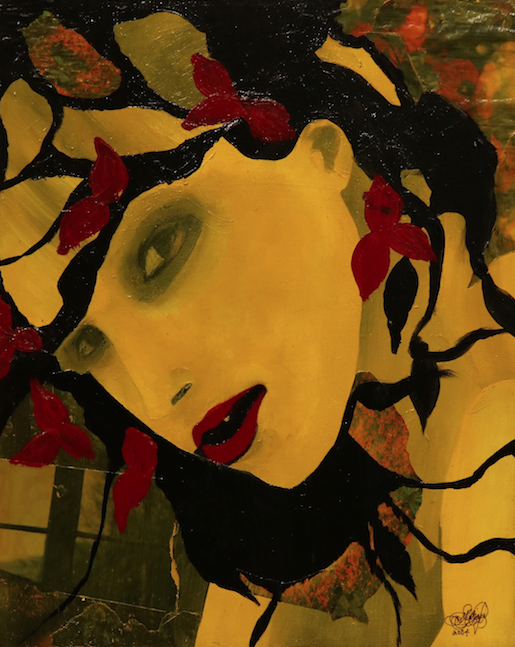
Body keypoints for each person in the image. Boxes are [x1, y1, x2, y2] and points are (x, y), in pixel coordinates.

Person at [1, 1, 515, 646]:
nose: (159, 390)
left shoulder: (498, 425)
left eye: (161, 253)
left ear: (320, 151)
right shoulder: (272, 577)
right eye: (88, 343)